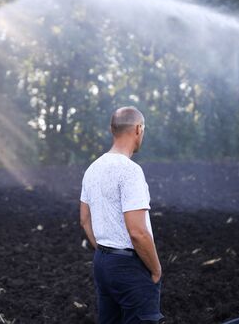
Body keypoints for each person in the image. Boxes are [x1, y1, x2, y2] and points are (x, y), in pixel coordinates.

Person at [79, 106, 164, 324]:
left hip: (102, 264)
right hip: (129, 268)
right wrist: (155, 270)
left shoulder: (92, 169)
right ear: (138, 129)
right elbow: (137, 232)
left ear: (112, 129)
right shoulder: (130, 171)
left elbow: (85, 219)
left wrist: (105, 252)